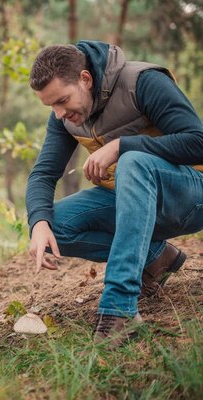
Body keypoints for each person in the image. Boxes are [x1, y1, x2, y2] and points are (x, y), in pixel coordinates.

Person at [26, 40, 203, 347]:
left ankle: (119, 306)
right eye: (51, 106)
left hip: (190, 195)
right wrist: (38, 222)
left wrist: (123, 146)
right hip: (132, 204)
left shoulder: (143, 82)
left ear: (85, 78)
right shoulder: (65, 117)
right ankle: (157, 257)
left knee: (133, 162)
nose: (58, 114)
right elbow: (43, 174)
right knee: (53, 227)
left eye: (62, 101)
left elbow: (197, 142)